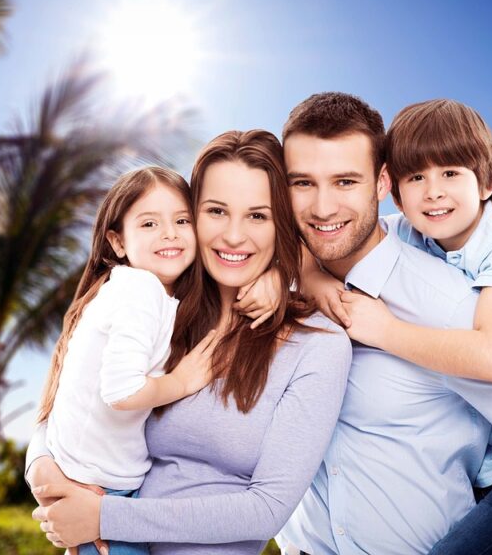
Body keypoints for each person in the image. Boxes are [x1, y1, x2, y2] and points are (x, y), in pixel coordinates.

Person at [272, 92, 492, 554]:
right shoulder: (405, 234)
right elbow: (311, 236)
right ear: (397, 189)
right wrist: (311, 278)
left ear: (378, 183)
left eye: (345, 181)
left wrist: (386, 331)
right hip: (491, 465)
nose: (323, 207)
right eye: (302, 183)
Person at [27, 130, 353, 554]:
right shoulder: (162, 310)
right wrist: (43, 470)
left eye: (258, 216)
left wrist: (104, 516)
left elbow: (267, 509)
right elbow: (70, 402)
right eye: (216, 211)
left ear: (282, 225)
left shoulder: (318, 346)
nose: (233, 236)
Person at [35, 166, 218, 555]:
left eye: (182, 220)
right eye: (149, 223)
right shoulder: (139, 290)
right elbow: (121, 390)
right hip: (100, 488)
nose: (169, 233)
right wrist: (181, 382)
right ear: (117, 242)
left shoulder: (139, 292)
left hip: (100, 483)